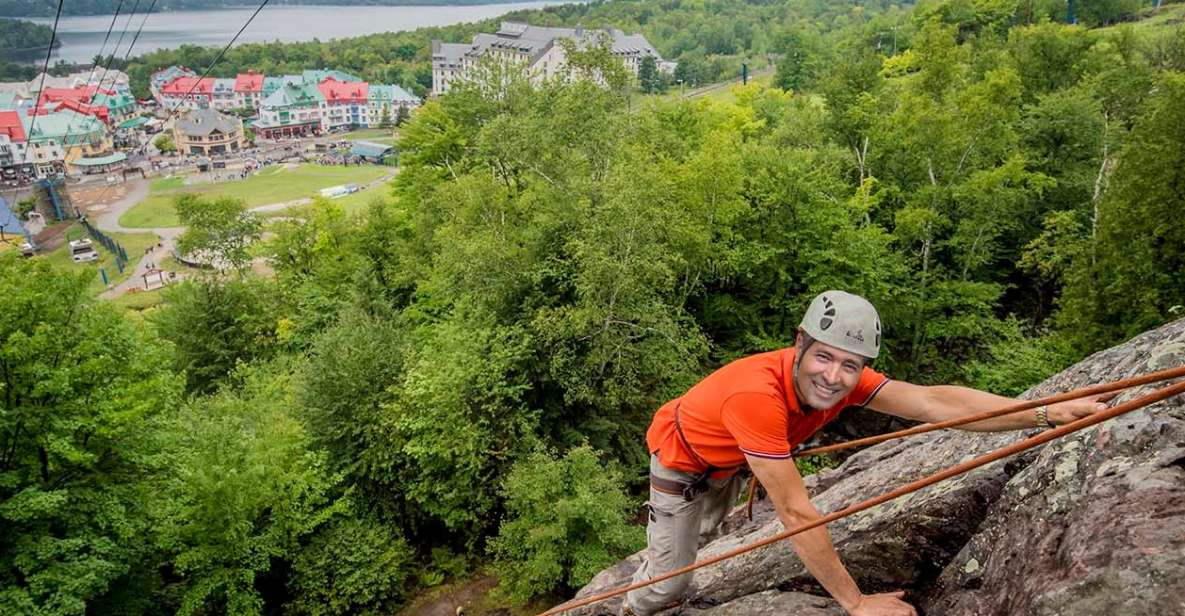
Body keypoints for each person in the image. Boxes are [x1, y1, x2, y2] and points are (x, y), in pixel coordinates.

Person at [623, 290, 1110, 616]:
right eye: (824, 357)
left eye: (850, 365)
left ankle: (663, 554)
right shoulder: (756, 398)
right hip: (683, 466)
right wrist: (856, 604)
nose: (834, 377)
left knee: (698, 541)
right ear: (799, 344)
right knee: (668, 585)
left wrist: (1044, 413)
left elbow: (933, 401)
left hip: (726, 460)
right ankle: (625, 607)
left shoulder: (846, 380)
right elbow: (795, 512)